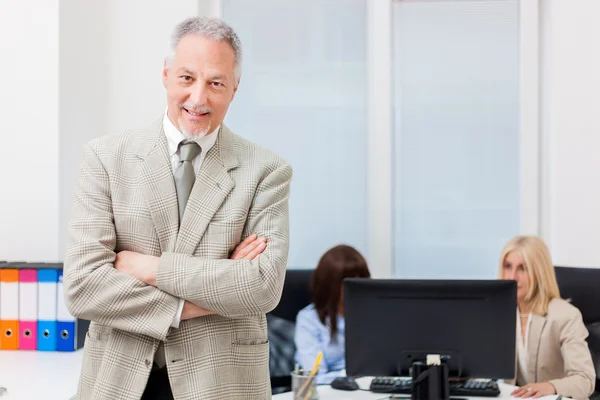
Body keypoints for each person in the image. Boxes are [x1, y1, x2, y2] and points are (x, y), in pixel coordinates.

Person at [63, 17, 292, 400]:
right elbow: (83, 287)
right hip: (119, 381)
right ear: (166, 75)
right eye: (187, 78)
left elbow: (262, 287)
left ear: (234, 89)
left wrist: (150, 268)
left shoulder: (266, 170)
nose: (198, 98)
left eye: (215, 83)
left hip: (221, 384)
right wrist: (209, 294)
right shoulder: (105, 158)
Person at [499, 235, 595, 399]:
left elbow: (585, 379)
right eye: (508, 266)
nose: (512, 277)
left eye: (523, 268)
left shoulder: (566, 316)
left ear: (539, 272)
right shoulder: (499, 314)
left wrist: (551, 386)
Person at [294, 245, 370, 385]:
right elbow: (315, 377)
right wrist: (352, 376)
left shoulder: (372, 315)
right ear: (330, 283)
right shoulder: (309, 319)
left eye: (360, 279)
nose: (355, 287)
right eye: (347, 281)